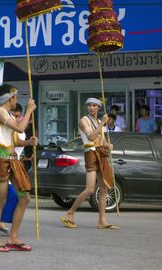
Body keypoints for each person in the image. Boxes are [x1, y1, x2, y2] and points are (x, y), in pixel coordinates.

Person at [0, 84, 37, 252]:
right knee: (0, 200)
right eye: (15, 96)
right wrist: (30, 110)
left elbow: (15, 140)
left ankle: (13, 237)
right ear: (9, 98)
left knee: (25, 198)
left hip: (14, 160)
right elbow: (20, 128)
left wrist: (28, 142)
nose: (17, 100)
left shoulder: (8, 114)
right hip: (2, 160)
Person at [60, 98, 119, 230]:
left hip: (101, 154)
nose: (91, 107)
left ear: (98, 108)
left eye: (94, 105)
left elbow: (99, 140)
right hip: (90, 154)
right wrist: (102, 123)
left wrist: (107, 145)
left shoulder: (99, 121)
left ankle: (102, 221)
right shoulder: (84, 120)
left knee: (104, 188)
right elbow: (91, 137)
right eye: (89, 105)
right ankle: (69, 214)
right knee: (90, 189)